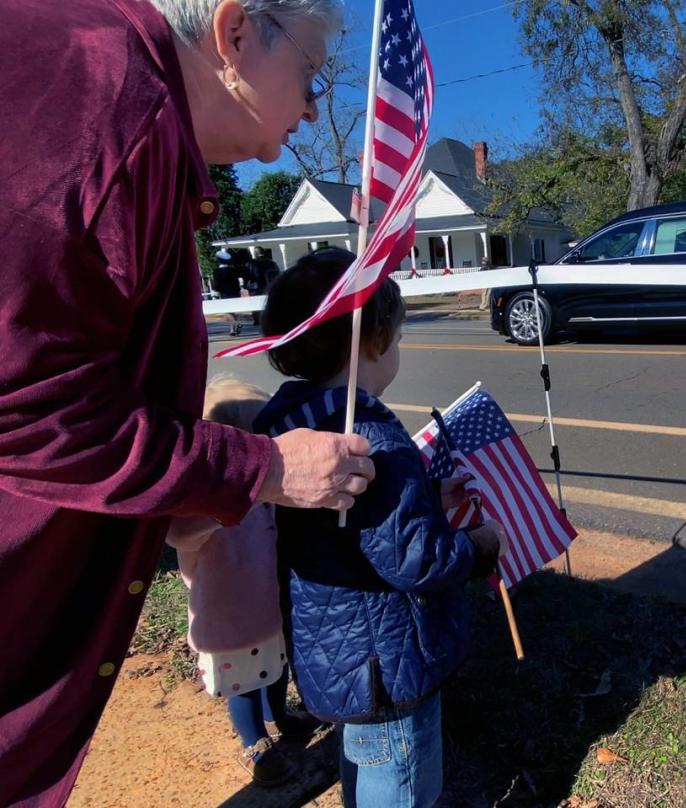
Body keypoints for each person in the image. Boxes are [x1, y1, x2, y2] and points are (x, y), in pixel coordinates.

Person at [0, 2, 377, 805]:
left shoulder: (110, 100)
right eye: (309, 75)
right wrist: (263, 467)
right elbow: (29, 409)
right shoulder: (105, 104)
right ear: (237, 34)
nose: (315, 107)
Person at [253, 248, 506, 808]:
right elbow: (415, 560)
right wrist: (480, 547)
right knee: (402, 780)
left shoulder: (293, 424)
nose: (399, 349)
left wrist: (423, 497)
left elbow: (358, 526)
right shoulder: (372, 441)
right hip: (388, 665)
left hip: (335, 652)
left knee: (362, 763)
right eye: (398, 336)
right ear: (372, 340)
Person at [166, 377, 321, 787]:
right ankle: (254, 742)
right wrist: (221, 510)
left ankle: (280, 715)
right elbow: (178, 536)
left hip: (266, 603)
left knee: (274, 667)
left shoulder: (264, 497)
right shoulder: (201, 501)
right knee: (243, 684)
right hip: (227, 612)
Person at [212, 248, 246, 336]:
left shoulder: (217, 271)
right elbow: (237, 281)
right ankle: (232, 330)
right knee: (233, 311)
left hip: (224, 293)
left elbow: (216, 284)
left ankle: (236, 323)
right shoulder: (233, 269)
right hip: (235, 292)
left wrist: (215, 291)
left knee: (226, 311)